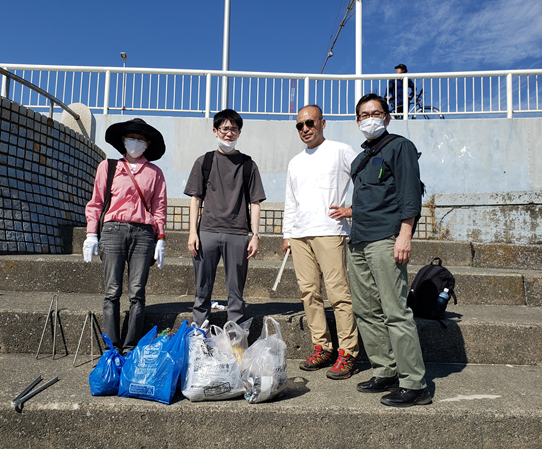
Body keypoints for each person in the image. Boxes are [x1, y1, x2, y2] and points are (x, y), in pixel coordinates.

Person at [346, 93, 431, 407]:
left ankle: (415, 383)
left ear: (387, 117)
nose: (370, 118)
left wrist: (405, 235)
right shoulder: (362, 157)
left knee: (395, 311)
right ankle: (385, 370)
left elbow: (409, 193)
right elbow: (372, 199)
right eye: (364, 114)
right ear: (357, 121)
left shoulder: (399, 147)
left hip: (386, 238)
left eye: (376, 112)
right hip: (358, 241)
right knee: (366, 311)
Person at [282, 105, 360, 379]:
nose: (305, 129)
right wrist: (287, 234)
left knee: (339, 294)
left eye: (310, 123)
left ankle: (348, 352)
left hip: (331, 231)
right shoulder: (295, 162)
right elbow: (291, 200)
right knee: (309, 293)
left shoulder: (341, 151)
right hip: (300, 234)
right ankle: (322, 347)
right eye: (299, 125)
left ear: (322, 123)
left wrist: (352, 209)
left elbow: (365, 182)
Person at [83, 118, 167, 354]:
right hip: (113, 230)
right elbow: (96, 202)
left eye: (141, 139)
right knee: (112, 291)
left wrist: (160, 237)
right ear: (123, 140)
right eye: (132, 138)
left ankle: (130, 347)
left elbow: (159, 208)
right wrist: (91, 233)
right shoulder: (108, 167)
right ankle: (111, 347)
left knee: (137, 292)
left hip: (143, 233)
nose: (136, 142)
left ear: (148, 144)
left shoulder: (155, 173)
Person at [184, 109, 266, 326]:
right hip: (207, 232)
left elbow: (255, 202)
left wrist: (255, 235)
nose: (229, 133)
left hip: (238, 233)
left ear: (240, 132)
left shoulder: (248, 164)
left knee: (236, 292)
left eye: (234, 129)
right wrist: (193, 232)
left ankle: (235, 340)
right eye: (225, 129)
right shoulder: (204, 162)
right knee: (202, 289)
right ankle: (199, 334)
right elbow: (195, 198)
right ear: (215, 131)